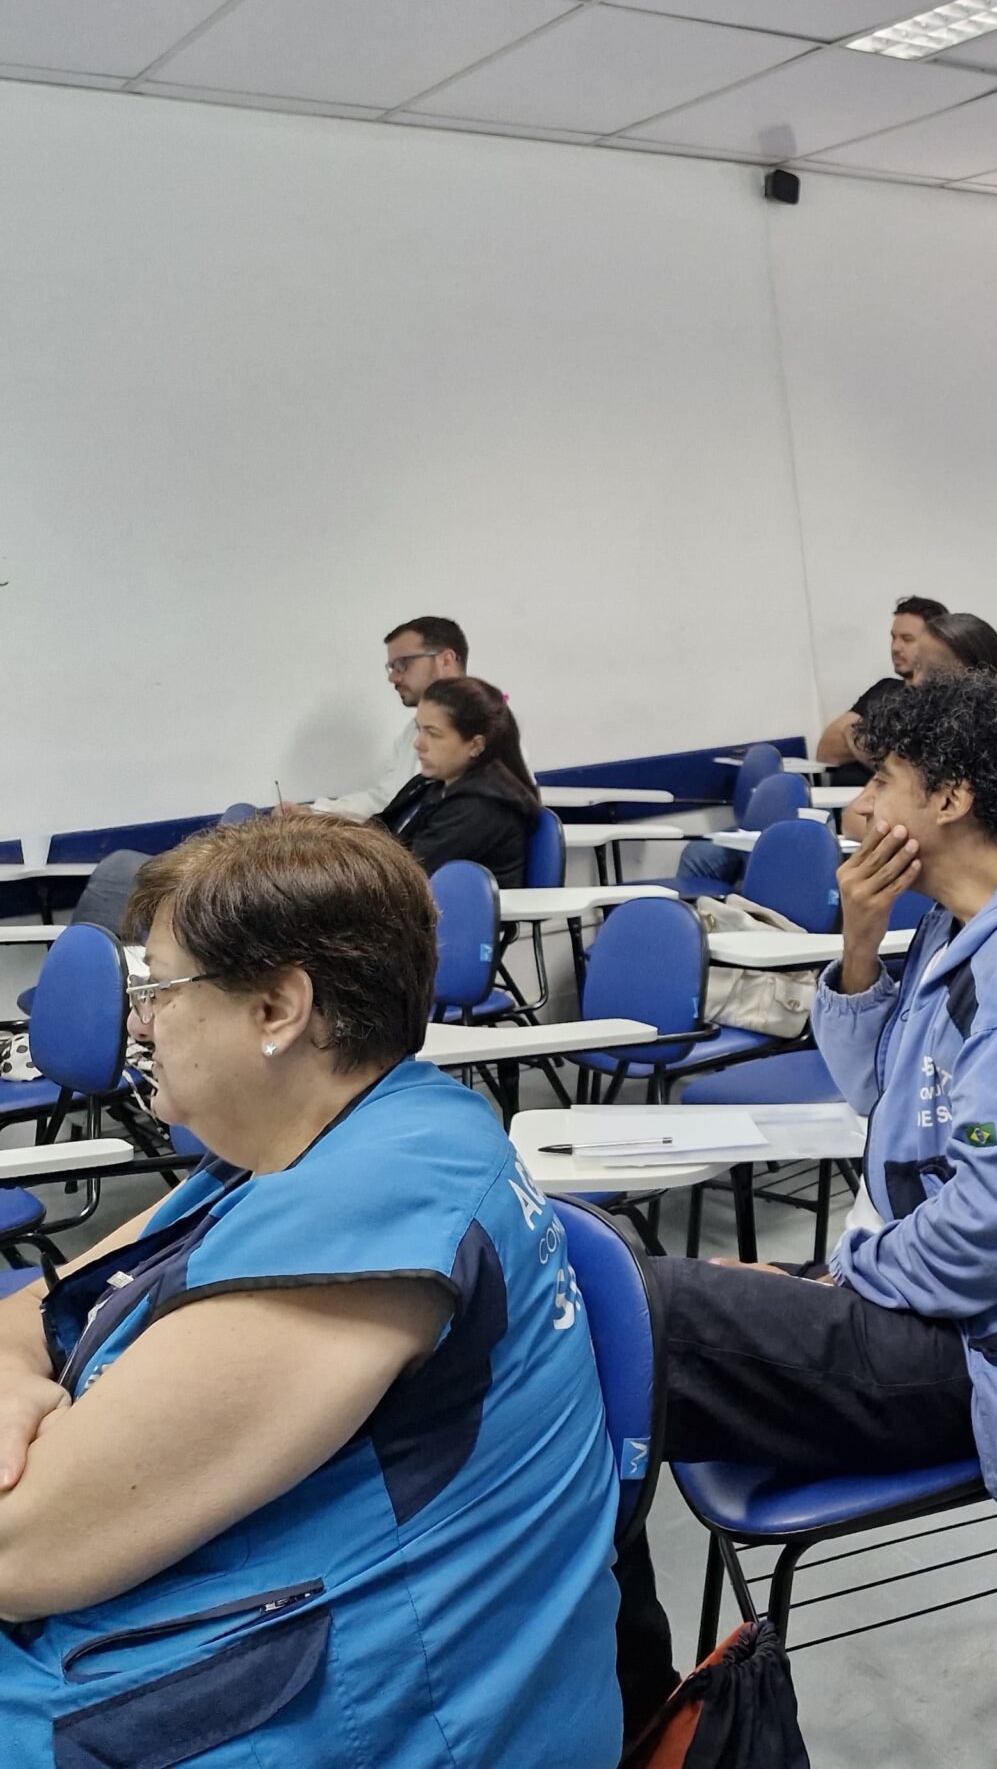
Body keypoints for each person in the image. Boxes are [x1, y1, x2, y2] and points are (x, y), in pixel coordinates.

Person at [612, 674, 997, 1720]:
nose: (859, 805)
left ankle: (630, 1710)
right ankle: (628, 1697)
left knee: (620, 1320)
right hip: (942, 1306)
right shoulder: (962, 931)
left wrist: (829, 1277)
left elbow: (993, 1232)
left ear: (952, 797)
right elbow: (885, 1097)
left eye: (881, 778)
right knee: (622, 1294)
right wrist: (862, 941)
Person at [0, 817, 619, 1763]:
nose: (138, 1022)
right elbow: (33, 1311)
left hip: (354, 1721)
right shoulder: (300, 1146)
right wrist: (16, 1380)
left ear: (278, 1009)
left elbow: (21, 1551)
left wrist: (36, 1405)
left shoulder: (380, 1201)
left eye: (159, 988)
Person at [680, 611, 997, 895]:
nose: (914, 682)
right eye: (915, 668)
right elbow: (853, 816)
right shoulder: (916, 742)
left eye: (929, 673)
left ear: (973, 679)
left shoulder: (996, 755)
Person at [375, 675, 541, 889]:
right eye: (419, 729)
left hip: (453, 917)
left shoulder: (480, 807)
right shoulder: (430, 784)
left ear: (476, 745)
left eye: (433, 734)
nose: (418, 744)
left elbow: (411, 873)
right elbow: (378, 828)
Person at [301, 615, 468, 818]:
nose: (393, 677)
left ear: (446, 660)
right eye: (391, 668)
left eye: (403, 664)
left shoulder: (486, 728)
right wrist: (313, 812)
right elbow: (386, 800)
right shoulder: (411, 732)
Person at [815, 595, 948, 786]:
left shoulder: (940, 701)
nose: (895, 647)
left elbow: (904, 768)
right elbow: (826, 751)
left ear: (935, 645)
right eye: (893, 637)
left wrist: (853, 731)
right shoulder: (885, 688)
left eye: (907, 639)